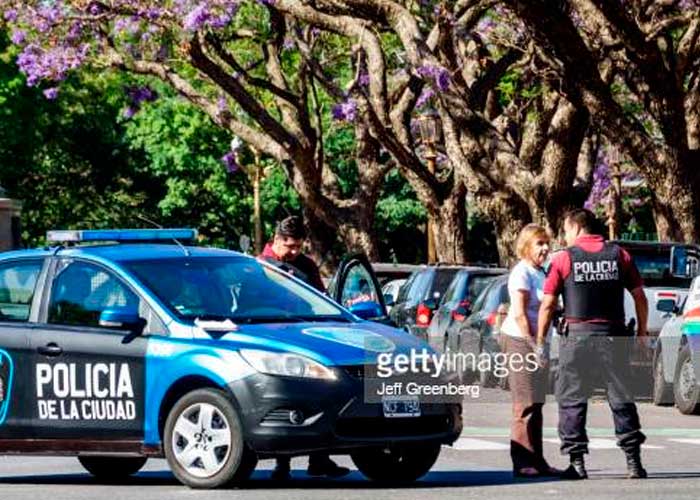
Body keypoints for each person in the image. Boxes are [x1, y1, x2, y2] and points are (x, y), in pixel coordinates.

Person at [536, 209, 649, 480]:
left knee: (572, 398)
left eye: (565, 230)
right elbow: (640, 297)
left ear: (577, 228)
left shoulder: (564, 258)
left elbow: (549, 304)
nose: (565, 236)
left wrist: (540, 341)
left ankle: (577, 464)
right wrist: (642, 333)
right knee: (621, 396)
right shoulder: (619, 255)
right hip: (613, 335)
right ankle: (633, 462)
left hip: (576, 337)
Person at [258, 216, 350, 480]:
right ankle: (282, 465)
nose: (294, 252)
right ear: (275, 240)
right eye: (289, 246)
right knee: (286, 397)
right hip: (272, 337)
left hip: (307, 335)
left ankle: (319, 459)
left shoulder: (306, 265)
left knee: (321, 395)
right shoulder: (258, 265)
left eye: (298, 246)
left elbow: (321, 299)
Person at [500, 224, 560, 478]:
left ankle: (538, 459)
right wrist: (533, 345)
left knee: (537, 402)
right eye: (539, 244)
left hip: (539, 342)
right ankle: (522, 462)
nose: (545, 248)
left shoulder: (541, 272)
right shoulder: (521, 273)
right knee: (523, 404)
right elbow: (520, 314)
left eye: (547, 243)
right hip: (519, 340)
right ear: (526, 246)